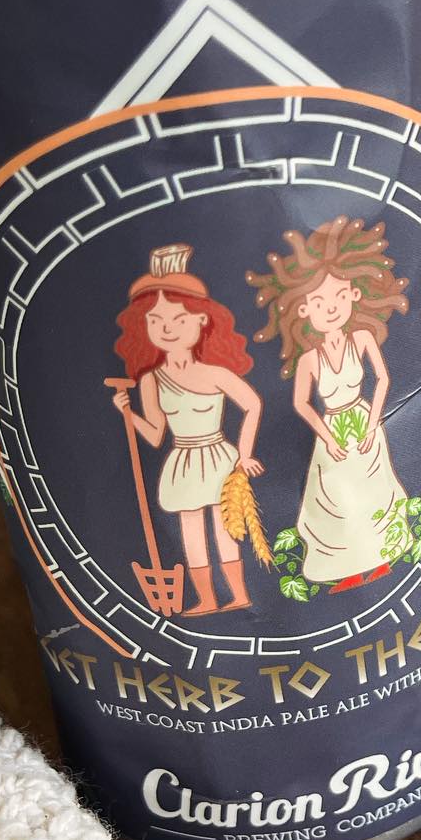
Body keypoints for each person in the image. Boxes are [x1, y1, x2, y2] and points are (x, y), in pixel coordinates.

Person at [248, 216, 410, 593]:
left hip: (364, 422)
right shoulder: (309, 358)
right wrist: (327, 437)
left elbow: (383, 380)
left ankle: (382, 558)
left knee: (375, 492)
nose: (330, 307)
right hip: (332, 429)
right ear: (303, 310)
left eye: (338, 296)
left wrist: (373, 423)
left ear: (353, 294)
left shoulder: (363, 338)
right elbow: (302, 403)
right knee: (333, 503)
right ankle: (349, 570)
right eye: (318, 301)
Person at [110, 244, 264, 614]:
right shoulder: (151, 380)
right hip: (183, 459)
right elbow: (155, 434)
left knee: (225, 528)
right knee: (191, 533)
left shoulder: (215, 373)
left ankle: (239, 595)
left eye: (178, 319)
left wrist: (244, 454)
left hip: (218, 455)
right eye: (155, 320)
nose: (166, 328)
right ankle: (207, 598)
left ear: (202, 320)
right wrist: (127, 414)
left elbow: (253, 404)